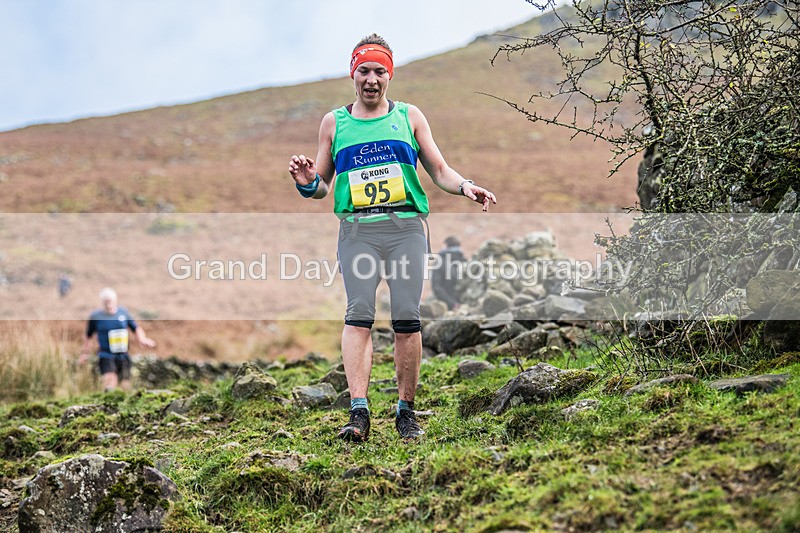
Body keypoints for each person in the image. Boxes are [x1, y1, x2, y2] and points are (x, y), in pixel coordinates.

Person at [289, 33, 496, 441]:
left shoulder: (409, 116)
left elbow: (439, 169)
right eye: (363, 70)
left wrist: (466, 186)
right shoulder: (335, 122)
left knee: (406, 320)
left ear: (390, 75)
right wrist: (305, 181)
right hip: (357, 233)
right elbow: (322, 187)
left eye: (379, 71)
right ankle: (359, 412)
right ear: (353, 74)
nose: (371, 79)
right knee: (359, 316)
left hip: (405, 231)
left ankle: (405, 412)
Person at [79, 287, 156, 392]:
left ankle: (125, 406)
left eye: (110, 302)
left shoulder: (123, 312)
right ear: (102, 302)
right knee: (110, 382)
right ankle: (108, 403)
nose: (108, 305)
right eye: (105, 302)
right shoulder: (96, 316)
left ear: (115, 300)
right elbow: (88, 336)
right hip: (106, 354)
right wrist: (85, 353)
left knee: (126, 385)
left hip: (123, 354)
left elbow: (135, 328)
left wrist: (142, 339)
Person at [431, 236, 467, 310]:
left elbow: (436, 287)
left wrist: (452, 304)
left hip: (447, 306)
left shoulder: (440, 262)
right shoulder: (464, 261)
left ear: (446, 246)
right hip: (465, 305)